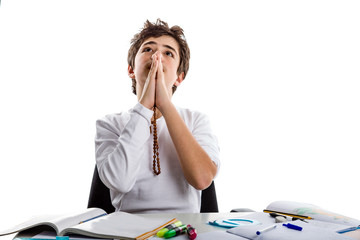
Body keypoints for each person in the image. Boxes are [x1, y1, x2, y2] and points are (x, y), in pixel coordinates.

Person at [95, 19, 220, 213]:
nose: (157, 57)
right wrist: (145, 106)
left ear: (179, 77)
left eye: (168, 53)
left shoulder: (197, 120)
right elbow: (119, 182)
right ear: (131, 70)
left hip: (182, 229)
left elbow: (203, 179)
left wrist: (165, 104)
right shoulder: (109, 124)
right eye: (148, 50)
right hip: (127, 231)